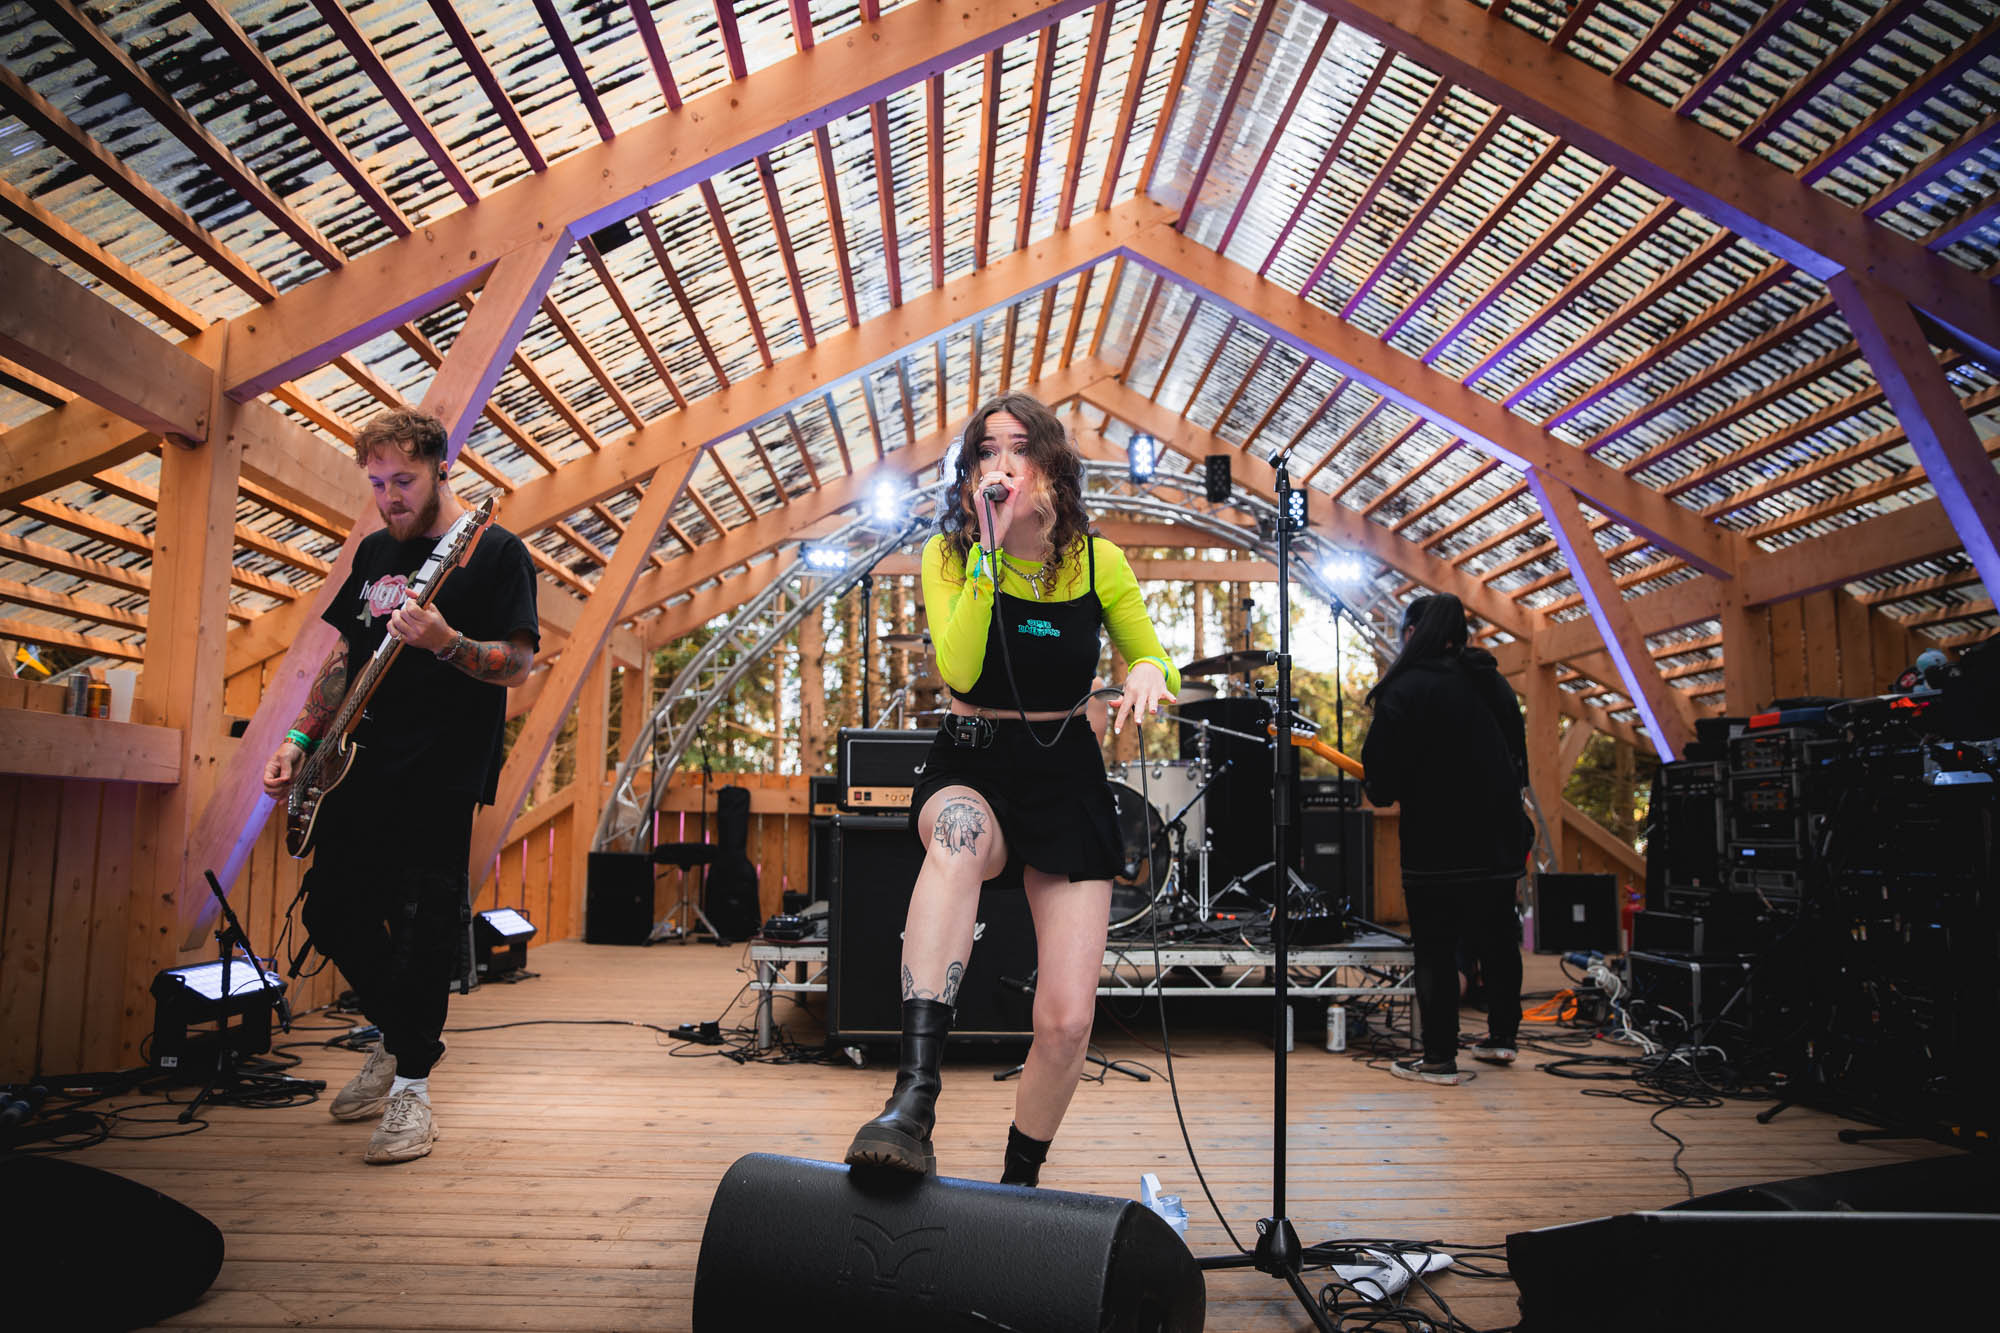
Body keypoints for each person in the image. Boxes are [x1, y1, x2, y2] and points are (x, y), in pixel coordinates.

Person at [844, 393, 1179, 1185]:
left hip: (1065, 769)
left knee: (1066, 1021)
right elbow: (960, 669)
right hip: (975, 757)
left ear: (1051, 466)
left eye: (1019, 448)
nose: (1001, 464)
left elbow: (1152, 656)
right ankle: (913, 1100)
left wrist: (1144, 671)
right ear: (970, 476)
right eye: (985, 451)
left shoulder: (1098, 562)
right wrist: (989, 557)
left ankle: (1019, 1179)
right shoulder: (951, 554)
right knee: (956, 837)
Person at [262, 409, 539, 1163]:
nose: (389, 497)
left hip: (442, 772)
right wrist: (297, 739)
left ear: (442, 469)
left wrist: (447, 643)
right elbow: (345, 658)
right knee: (329, 911)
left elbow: (518, 663)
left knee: (421, 935)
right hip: (356, 765)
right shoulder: (376, 552)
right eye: (378, 482)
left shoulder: (496, 553)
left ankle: (412, 1089)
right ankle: (401, 1038)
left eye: (404, 480)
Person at [1359, 594, 1529, 1086]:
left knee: (1434, 946)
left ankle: (1438, 1058)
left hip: (1436, 845)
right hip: (1498, 839)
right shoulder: (1490, 680)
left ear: (1412, 633)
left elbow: (1382, 784)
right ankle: (1502, 1038)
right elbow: (1517, 760)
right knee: (1499, 939)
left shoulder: (1405, 688)